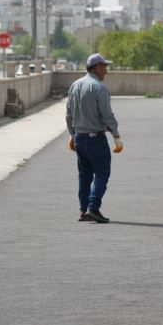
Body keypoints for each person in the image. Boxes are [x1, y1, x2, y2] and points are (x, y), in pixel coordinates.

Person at [66, 54, 123, 223]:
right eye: (104, 67)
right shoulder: (99, 88)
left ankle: (83, 210)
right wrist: (116, 137)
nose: (106, 70)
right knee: (102, 172)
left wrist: (71, 134)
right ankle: (93, 208)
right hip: (95, 139)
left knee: (84, 176)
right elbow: (107, 116)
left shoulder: (75, 86)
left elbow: (68, 114)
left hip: (79, 137)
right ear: (97, 67)